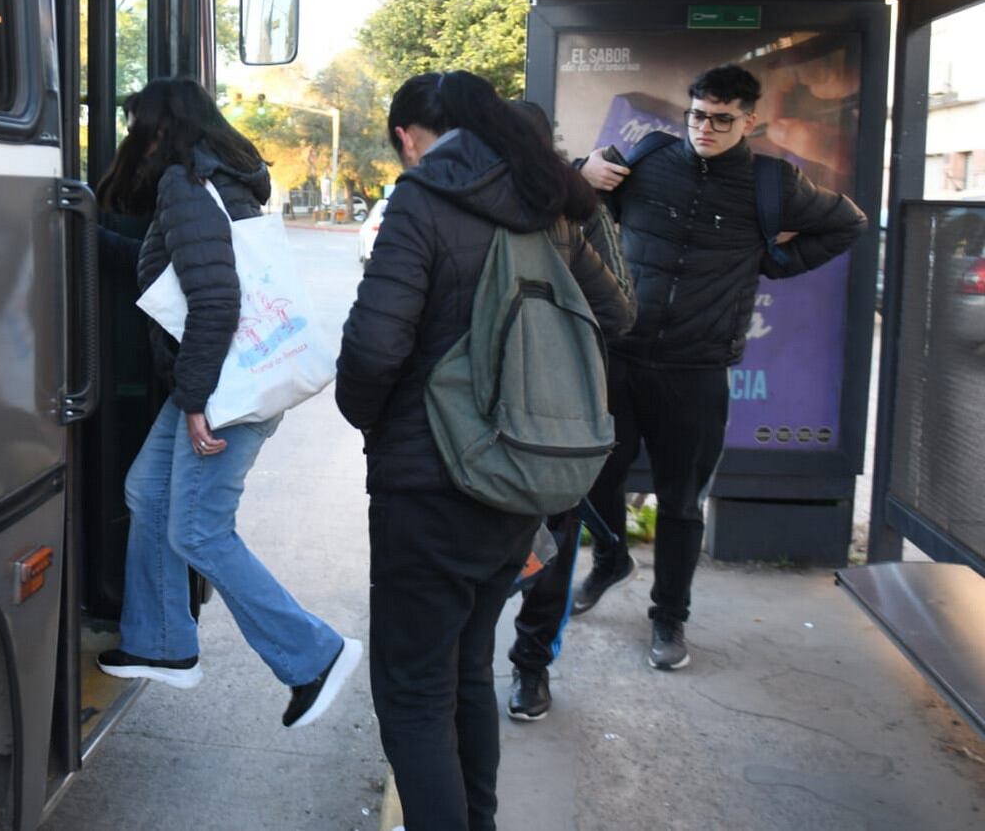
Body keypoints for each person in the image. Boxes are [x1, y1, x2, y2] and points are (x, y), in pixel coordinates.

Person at [337, 72, 633, 831]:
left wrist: (370, 421)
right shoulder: (550, 208)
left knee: (410, 691)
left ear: (412, 136)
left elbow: (374, 350)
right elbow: (615, 315)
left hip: (427, 484)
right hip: (522, 481)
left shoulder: (424, 201)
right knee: (468, 669)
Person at [573, 64, 866, 671]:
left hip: (696, 367)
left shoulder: (772, 185)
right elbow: (574, 211)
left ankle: (669, 619)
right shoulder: (648, 156)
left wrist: (775, 263)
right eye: (697, 114)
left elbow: (847, 223)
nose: (704, 127)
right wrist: (582, 174)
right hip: (621, 352)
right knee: (593, 475)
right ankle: (610, 557)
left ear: (748, 121)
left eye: (721, 118)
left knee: (681, 502)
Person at [94, 77, 361, 729]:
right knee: (149, 491)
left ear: (163, 129)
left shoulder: (184, 185)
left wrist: (195, 402)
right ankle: (161, 644)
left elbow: (216, 302)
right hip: (224, 376)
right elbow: (174, 274)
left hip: (225, 386)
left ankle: (314, 656)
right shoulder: (216, 181)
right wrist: (87, 230)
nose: (136, 140)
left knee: (198, 529)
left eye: (140, 128)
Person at [502, 99, 637, 723]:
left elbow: (618, 308)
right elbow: (620, 310)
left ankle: (523, 666)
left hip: (509, 412)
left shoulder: (572, 215)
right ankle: (529, 672)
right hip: (558, 411)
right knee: (550, 538)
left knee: (543, 537)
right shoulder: (576, 211)